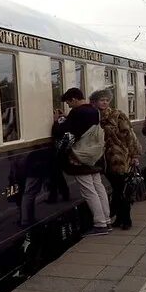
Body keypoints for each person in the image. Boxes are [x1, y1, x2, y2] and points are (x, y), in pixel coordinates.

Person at [53, 87, 110, 236]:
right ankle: (107, 219)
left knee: (89, 191)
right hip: (94, 156)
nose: (69, 106)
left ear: (74, 99)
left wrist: (57, 122)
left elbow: (66, 132)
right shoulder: (94, 110)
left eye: (69, 103)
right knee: (99, 188)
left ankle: (100, 224)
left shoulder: (77, 112)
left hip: (80, 157)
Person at [90, 89, 141, 230]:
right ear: (95, 102)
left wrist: (135, 155)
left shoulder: (117, 115)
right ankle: (119, 218)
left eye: (107, 100)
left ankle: (126, 219)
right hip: (105, 159)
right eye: (102, 100)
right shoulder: (94, 117)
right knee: (117, 188)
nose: (105, 102)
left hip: (120, 158)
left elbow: (129, 135)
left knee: (121, 189)